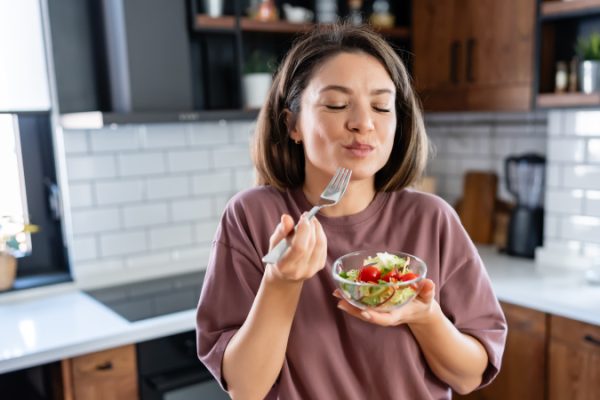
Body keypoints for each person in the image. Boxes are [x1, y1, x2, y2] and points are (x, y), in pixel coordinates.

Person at [196, 22, 507, 400]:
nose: (364, 123)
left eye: (381, 106)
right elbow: (245, 388)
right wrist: (281, 282)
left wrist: (424, 316)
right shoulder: (251, 217)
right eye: (337, 104)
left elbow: (469, 375)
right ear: (292, 123)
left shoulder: (432, 219)